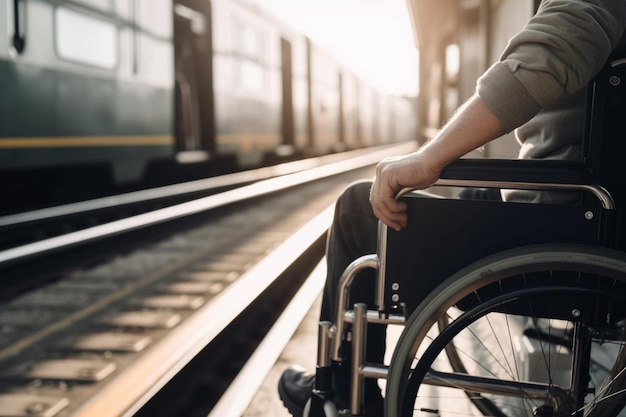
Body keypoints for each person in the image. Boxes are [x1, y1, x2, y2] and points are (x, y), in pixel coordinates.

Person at [278, 1, 626, 416]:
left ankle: (334, 396)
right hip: (586, 215)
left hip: (569, 222)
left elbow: (553, 52)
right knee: (470, 200)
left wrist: (431, 156)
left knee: (359, 206)